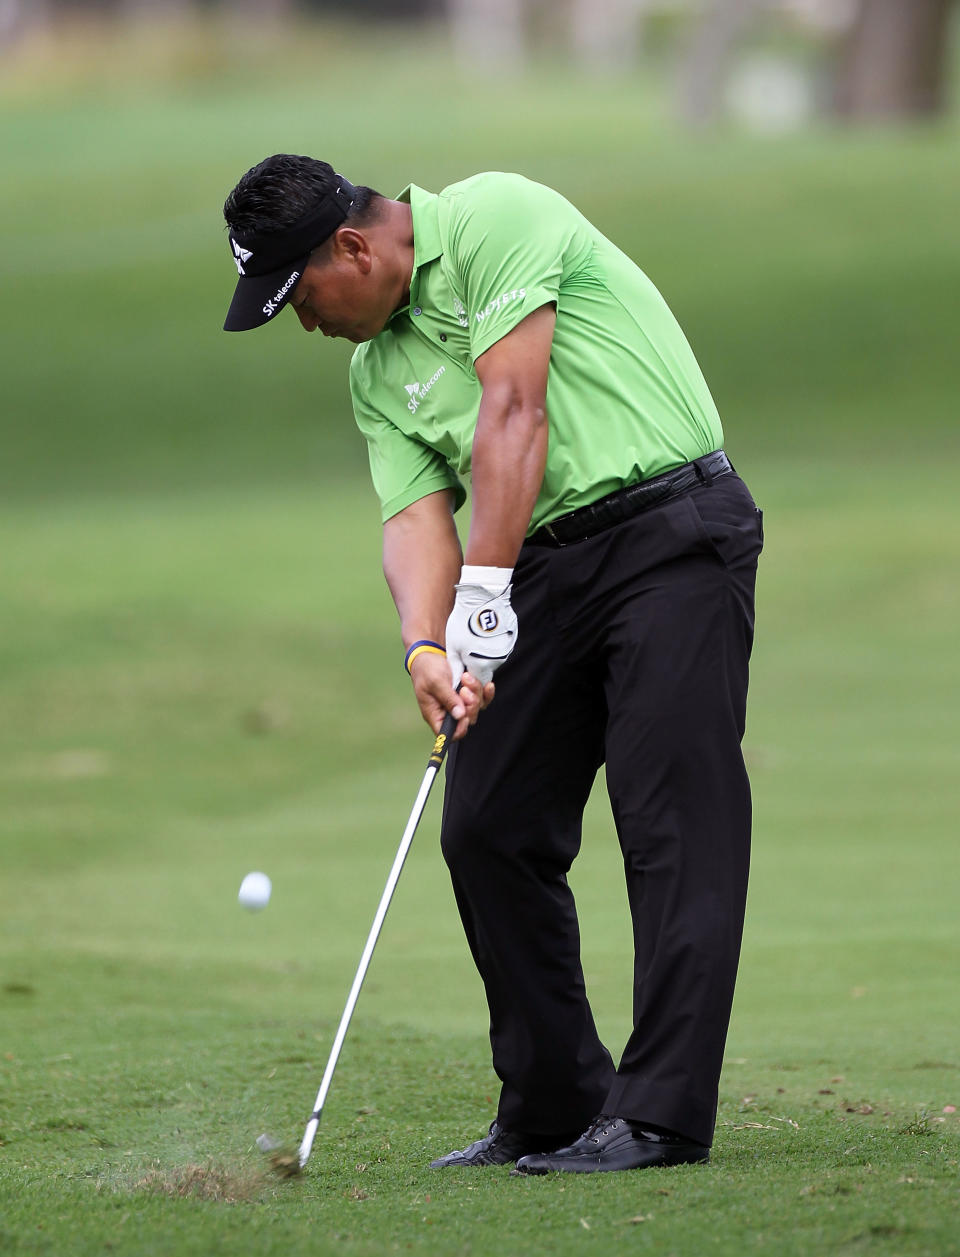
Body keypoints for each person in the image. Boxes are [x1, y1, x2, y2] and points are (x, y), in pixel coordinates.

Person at [221, 155, 763, 1175]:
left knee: (669, 821)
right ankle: (557, 1099)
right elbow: (414, 519)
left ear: (354, 247)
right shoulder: (373, 373)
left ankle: (660, 1115)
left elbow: (517, 412)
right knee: (487, 826)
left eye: (301, 295)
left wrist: (482, 594)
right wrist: (429, 642)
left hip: (669, 534)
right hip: (533, 566)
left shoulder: (494, 218)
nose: (303, 322)